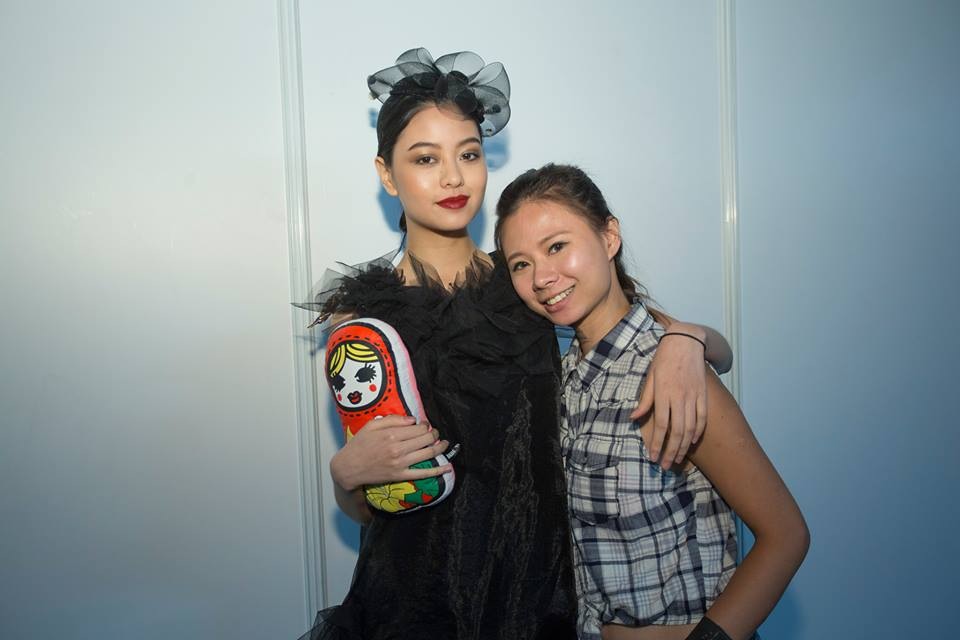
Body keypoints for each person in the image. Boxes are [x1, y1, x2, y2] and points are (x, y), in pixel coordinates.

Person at [297, 49, 730, 640]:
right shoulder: (363, 320)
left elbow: (685, 339)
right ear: (387, 174)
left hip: (535, 598)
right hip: (414, 606)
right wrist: (344, 475)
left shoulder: (530, 280)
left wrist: (686, 340)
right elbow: (375, 505)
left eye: (468, 154)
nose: (453, 178)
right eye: (425, 159)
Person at [494, 164, 809, 640]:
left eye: (557, 246)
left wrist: (689, 338)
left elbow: (786, 536)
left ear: (609, 237)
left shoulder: (670, 374)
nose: (541, 277)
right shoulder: (561, 376)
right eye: (521, 264)